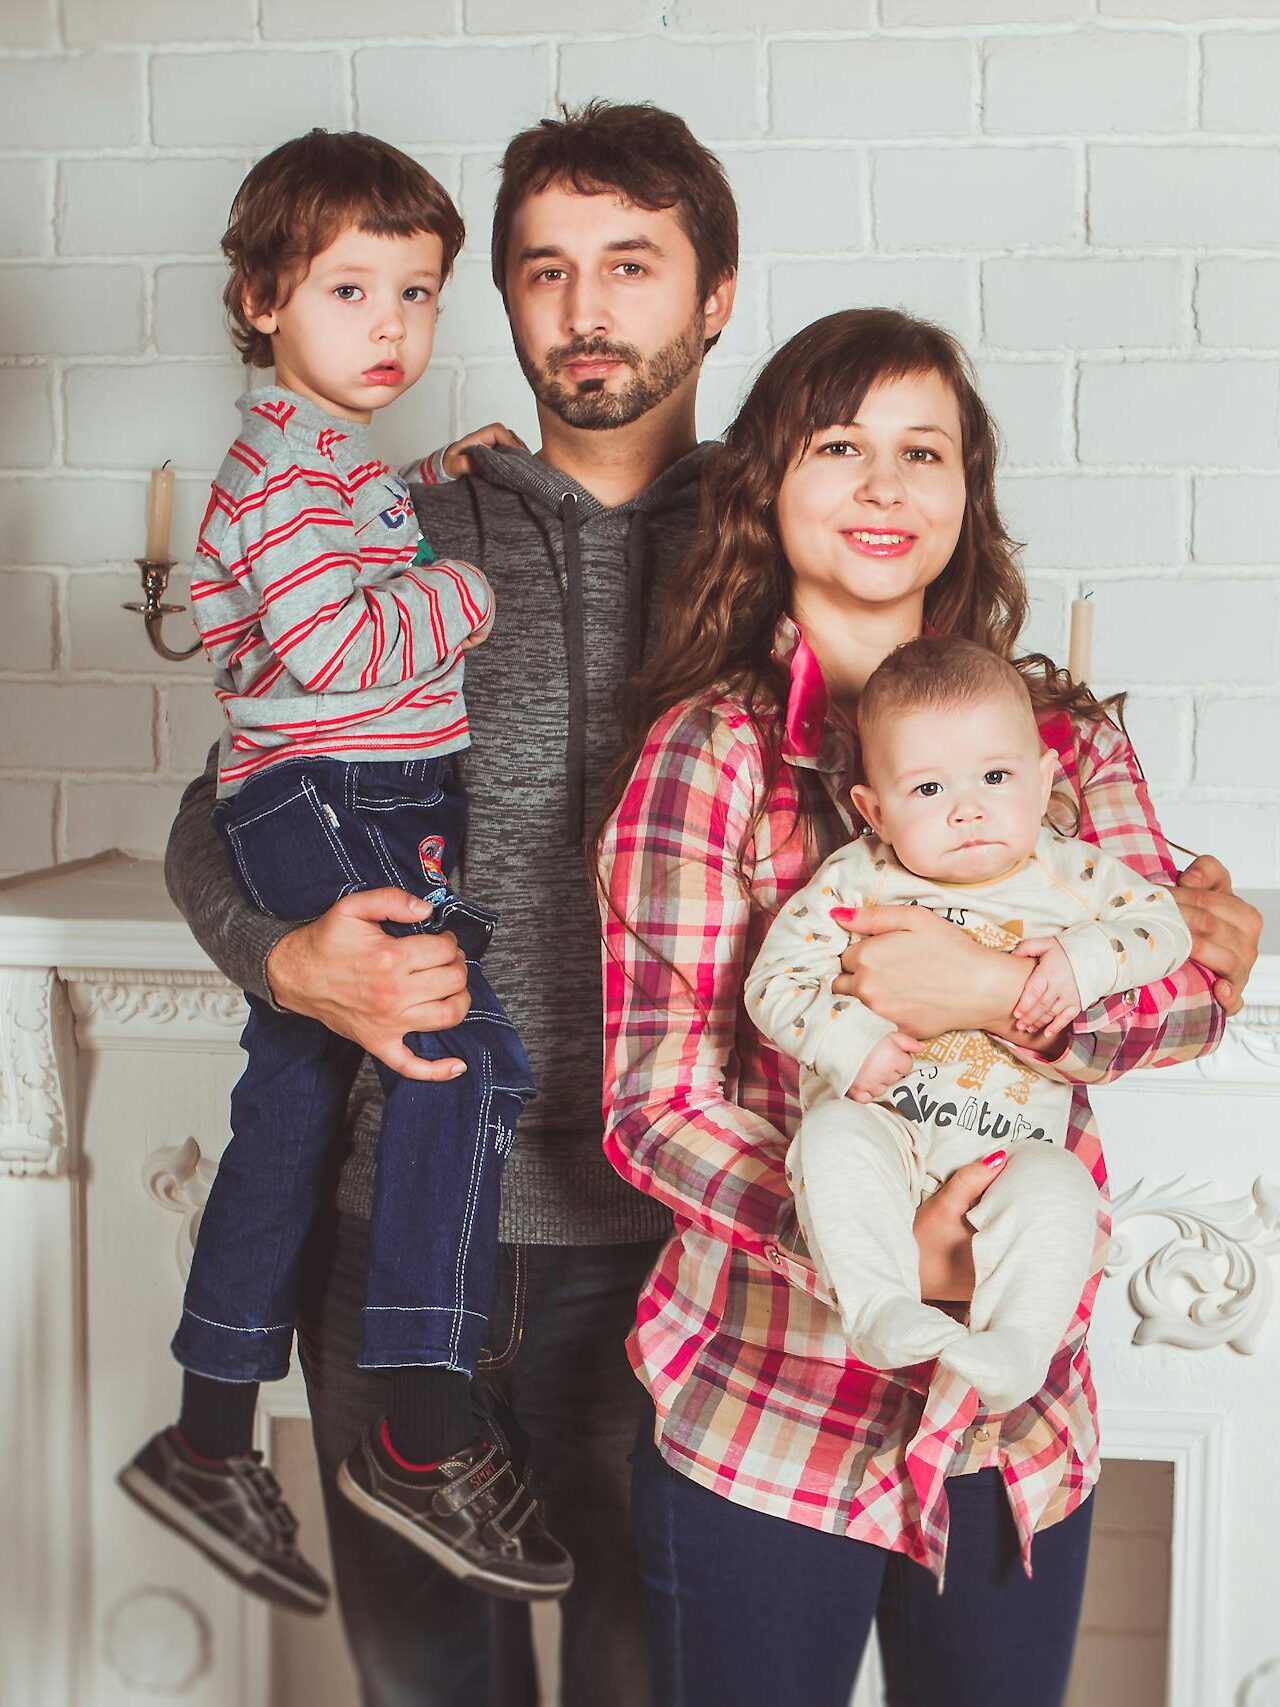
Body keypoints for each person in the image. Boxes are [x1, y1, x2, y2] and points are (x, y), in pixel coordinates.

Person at [595, 307, 1259, 1707]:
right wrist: (878, 1243)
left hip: (1017, 1421)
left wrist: (1004, 990)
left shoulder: (1060, 742)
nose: (886, 486)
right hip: (771, 1401)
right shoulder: (708, 754)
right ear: (769, 484)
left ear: (970, 494)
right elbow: (655, 1104)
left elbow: (1191, 995)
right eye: (841, 446)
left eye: (924, 451)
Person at [162, 102, 738, 1705]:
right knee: (428, 1686)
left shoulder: (785, 540)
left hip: (674, 1242)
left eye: (632, 264)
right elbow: (222, 812)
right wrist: (285, 956)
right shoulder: (397, 520)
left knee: (655, 1678)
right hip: (408, 1227)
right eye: (544, 270)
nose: (586, 307)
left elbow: (941, 764)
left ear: (717, 295)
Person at [119, 127, 573, 1613]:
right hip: (335, 797)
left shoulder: (327, 461)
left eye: (418, 294)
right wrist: (469, 586)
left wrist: (432, 481)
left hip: (339, 789)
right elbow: (336, 640)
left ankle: (206, 1430)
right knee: (462, 1062)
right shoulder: (281, 473)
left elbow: (339, 550)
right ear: (261, 297)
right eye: (349, 291)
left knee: (298, 1104)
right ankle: (419, 1429)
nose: (390, 326)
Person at [744, 634, 1192, 1414]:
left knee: (1062, 1189)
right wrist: (849, 1042)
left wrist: (1083, 961)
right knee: (831, 1143)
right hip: (887, 1130)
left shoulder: (1070, 873)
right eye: (927, 790)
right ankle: (880, 1306)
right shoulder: (857, 879)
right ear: (873, 811)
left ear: (1046, 779)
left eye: (995, 776)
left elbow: (1166, 928)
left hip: (1007, 1150)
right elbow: (773, 982)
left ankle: (1017, 1343)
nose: (968, 808)